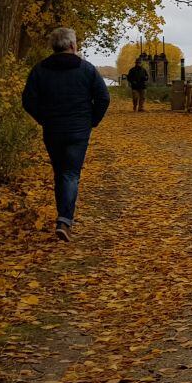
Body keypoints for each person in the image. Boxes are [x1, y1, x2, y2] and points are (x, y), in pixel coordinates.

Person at [21, 27, 110, 242]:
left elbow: (28, 100)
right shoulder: (86, 69)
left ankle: (63, 217)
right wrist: (92, 121)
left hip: (53, 129)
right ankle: (64, 220)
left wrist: (43, 118)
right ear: (72, 45)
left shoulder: (40, 69)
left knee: (60, 172)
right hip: (78, 130)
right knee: (70, 174)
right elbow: (103, 98)